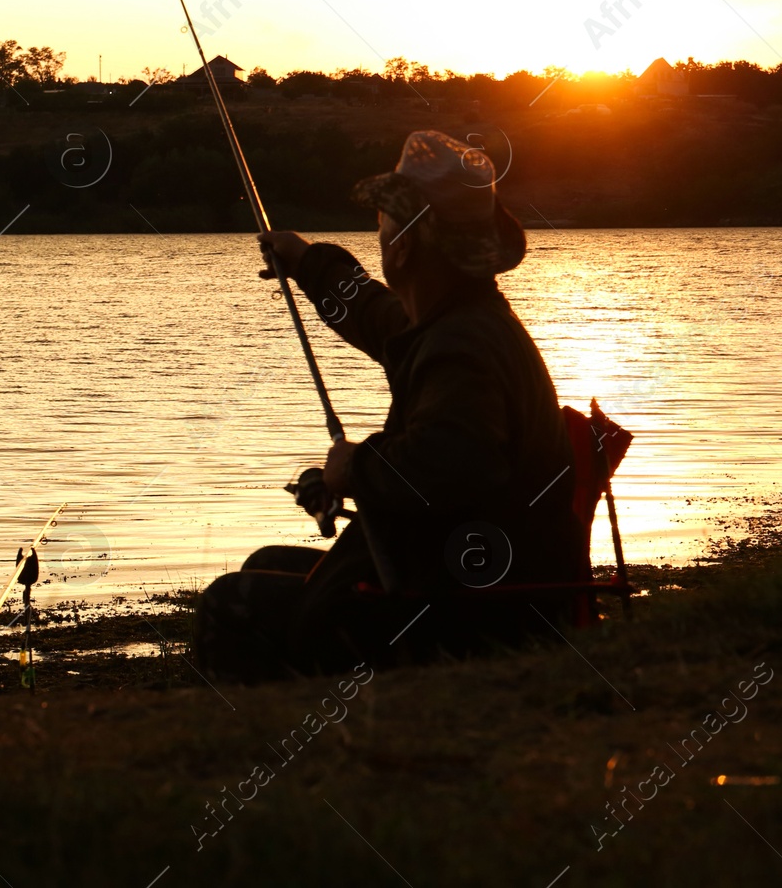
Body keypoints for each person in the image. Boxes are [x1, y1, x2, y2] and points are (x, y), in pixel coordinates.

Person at [196, 130, 579, 680]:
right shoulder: (452, 317)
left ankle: (296, 748)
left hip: (477, 613)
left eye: (384, 223)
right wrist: (304, 260)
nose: (379, 236)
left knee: (226, 606)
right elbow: (375, 315)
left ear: (405, 245)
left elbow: (451, 463)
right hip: (468, 582)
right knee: (266, 568)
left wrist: (353, 468)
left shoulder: (461, 345)